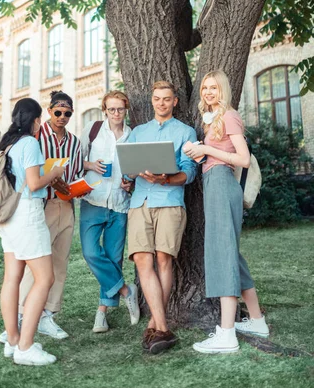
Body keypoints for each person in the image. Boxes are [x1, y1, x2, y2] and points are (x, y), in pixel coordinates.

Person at [183, 70, 269, 354]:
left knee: (221, 253)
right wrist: (199, 151)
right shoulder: (216, 118)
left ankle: (227, 332)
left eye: (213, 87)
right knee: (230, 252)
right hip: (215, 181)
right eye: (205, 88)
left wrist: (207, 149)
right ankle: (256, 320)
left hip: (222, 181)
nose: (208, 92)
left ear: (223, 90)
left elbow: (243, 158)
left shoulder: (229, 116)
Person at [125, 81, 197, 354]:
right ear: (152, 100)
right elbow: (127, 169)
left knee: (163, 259)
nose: (161, 103)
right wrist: (129, 174)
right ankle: (163, 327)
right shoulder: (138, 132)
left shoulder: (185, 132)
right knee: (143, 259)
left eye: (167, 99)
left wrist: (165, 179)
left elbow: (189, 173)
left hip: (169, 201)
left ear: (175, 102)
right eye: (157, 98)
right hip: (140, 200)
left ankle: (156, 324)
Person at [0, 98, 65, 366]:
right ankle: (26, 346)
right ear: (37, 121)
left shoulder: (6, 144)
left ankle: (13, 341)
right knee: (45, 278)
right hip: (26, 214)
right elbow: (35, 183)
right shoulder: (31, 143)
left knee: (12, 277)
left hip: (7, 216)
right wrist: (55, 171)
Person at [18, 90, 83, 339]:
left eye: (67, 113)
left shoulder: (75, 143)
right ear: (49, 110)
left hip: (65, 206)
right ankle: (22, 314)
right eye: (58, 112)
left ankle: (48, 315)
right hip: (39, 207)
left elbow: (75, 174)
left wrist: (76, 186)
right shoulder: (34, 137)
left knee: (59, 262)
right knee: (33, 263)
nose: (62, 117)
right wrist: (51, 180)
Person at [80, 90, 140, 333]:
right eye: (111, 109)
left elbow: (136, 168)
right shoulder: (93, 130)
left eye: (120, 109)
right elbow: (76, 159)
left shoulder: (132, 135)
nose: (116, 113)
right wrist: (90, 165)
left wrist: (131, 183)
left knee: (114, 258)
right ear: (104, 110)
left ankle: (101, 314)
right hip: (93, 200)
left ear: (126, 110)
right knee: (91, 252)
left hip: (120, 204)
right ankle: (126, 290)